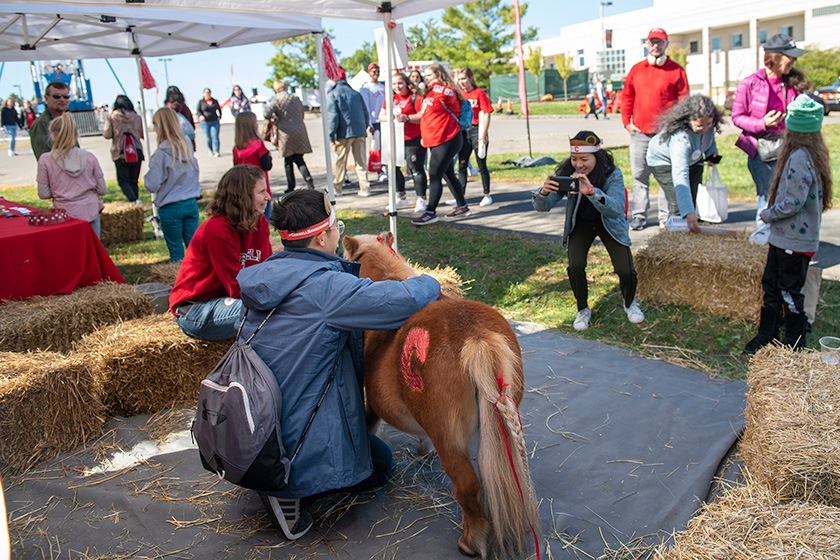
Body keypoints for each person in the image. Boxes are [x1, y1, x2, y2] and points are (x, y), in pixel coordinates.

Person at [236, 188, 441, 541]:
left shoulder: (267, 274)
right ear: (321, 237)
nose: (337, 233)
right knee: (380, 465)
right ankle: (290, 490)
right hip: (299, 430)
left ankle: (274, 472)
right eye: (336, 227)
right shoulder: (327, 289)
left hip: (259, 421)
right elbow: (399, 299)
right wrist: (430, 280)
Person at [744, 95, 832, 354]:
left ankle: (794, 341)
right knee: (771, 284)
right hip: (786, 239)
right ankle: (767, 333)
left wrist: (768, 214)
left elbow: (792, 202)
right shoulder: (810, 154)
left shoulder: (799, 158)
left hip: (793, 241)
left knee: (788, 291)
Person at [532, 131, 644, 331]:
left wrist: (592, 191)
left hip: (609, 222)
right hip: (581, 222)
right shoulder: (566, 171)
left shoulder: (611, 173)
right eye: (575, 158)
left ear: (596, 156)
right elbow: (543, 207)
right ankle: (583, 309)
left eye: (584, 159)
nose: (579, 164)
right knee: (575, 266)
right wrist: (543, 192)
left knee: (625, 270)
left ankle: (630, 303)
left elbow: (617, 207)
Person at [169, 165, 272, 341]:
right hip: (196, 309)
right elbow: (237, 287)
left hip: (228, 301)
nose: (268, 197)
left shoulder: (259, 222)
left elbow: (268, 270)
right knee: (265, 311)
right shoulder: (217, 231)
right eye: (262, 192)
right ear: (244, 197)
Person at [731, 33, 807, 244]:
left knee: (787, 197)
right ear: (774, 57)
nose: (794, 61)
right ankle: (763, 247)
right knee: (766, 199)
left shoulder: (792, 82)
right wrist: (763, 123)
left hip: (788, 148)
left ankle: (781, 244)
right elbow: (737, 117)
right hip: (761, 150)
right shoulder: (750, 83)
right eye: (789, 56)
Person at [622, 28, 689, 230]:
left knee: (664, 176)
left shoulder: (676, 70)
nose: (656, 46)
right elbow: (627, 97)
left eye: (659, 42)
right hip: (640, 132)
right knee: (639, 176)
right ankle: (639, 216)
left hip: (665, 134)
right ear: (647, 44)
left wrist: (677, 126)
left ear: (666, 44)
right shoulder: (637, 69)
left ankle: (665, 217)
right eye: (652, 42)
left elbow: (684, 101)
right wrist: (627, 122)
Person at [646, 94, 724, 233]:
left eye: (708, 124)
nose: (705, 128)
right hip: (663, 161)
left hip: (693, 159)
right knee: (678, 203)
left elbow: (709, 138)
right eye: (699, 125)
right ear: (688, 120)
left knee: (693, 198)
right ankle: (675, 236)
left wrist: (712, 152)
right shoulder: (680, 138)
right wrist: (688, 212)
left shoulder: (709, 126)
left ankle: (690, 232)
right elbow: (680, 176)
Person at [411, 63, 471, 225]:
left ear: (438, 75)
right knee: (447, 173)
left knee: (435, 174)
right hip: (436, 139)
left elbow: (449, 99)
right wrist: (406, 118)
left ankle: (430, 212)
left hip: (447, 139)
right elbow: (424, 116)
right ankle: (462, 206)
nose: (426, 78)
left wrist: (433, 87)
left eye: (429, 75)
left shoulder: (444, 91)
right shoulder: (430, 93)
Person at [143, 107, 200, 262]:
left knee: (176, 250)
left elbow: (152, 184)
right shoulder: (186, 146)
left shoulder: (161, 154)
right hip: (190, 202)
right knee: (195, 249)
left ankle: (180, 280)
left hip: (171, 206)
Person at [36, 113, 107, 237]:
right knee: (93, 251)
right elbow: (102, 189)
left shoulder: (45, 160)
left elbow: (43, 193)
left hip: (64, 214)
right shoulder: (90, 157)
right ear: (76, 134)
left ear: (52, 134)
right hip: (90, 211)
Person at [378, 72, 427, 211]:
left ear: (406, 83)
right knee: (392, 168)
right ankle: (401, 198)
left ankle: (421, 198)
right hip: (395, 139)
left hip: (413, 138)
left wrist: (406, 118)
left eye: (400, 83)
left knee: (415, 168)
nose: (397, 86)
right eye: (394, 84)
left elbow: (422, 116)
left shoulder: (414, 97)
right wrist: (390, 117)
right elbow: (381, 115)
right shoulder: (390, 98)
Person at [264, 80, 314, 193]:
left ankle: (291, 185)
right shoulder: (295, 98)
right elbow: (302, 113)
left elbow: (266, 113)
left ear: (276, 89)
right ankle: (308, 179)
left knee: (288, 160)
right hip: (300, 130)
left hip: (285, 132)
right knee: (299, 157)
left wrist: (276, 117)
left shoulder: (276, 99)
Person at [326, 68, 370, 196]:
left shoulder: (333, 94)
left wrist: (331, 135)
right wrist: (364, 127)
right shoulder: (355, 93)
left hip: (342, 133)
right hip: (359, 131)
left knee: (341, 161)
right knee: (361, 161)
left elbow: (332, 117)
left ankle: (337, 188)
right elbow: (365, 113)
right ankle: (365, 187)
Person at [455, 67, 494, 207]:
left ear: (470, 78)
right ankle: (460, 195)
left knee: (481, 163)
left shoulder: (479, 93)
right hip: (463, 130)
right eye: (459, 79)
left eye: (464, 78)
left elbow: (487, 112)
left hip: (477, 129)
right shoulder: (459, 94)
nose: (462, 82)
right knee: (462, 164)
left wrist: (483, 134)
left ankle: (486, 195)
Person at [102, 95, 145, 203]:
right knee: (134, 180)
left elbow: (107, 134)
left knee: (123, 180)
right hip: (136, 150)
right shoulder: (136, 117)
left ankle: (133, 199)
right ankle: (136, 200)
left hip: (120, 151)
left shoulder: (112, 117)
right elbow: (141, 133)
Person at [232, 111, 273, 217]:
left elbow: (235, 169)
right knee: (263, 218)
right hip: (261, 188)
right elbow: (267, 165)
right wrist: (269, 157)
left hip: (245, 189)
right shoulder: (258, 145)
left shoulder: (236, 148)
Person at [29, 81, 71, 161]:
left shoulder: (67, 121)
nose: (62, 100)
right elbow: (44, 157)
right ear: (46, 98)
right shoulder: (41, 123)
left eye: (66, 96)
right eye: (56, 96)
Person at [361, 62, 386, 181]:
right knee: (376, 146)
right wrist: (369, 124)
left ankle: (385, 167)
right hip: (374, 120)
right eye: (373, 71)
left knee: (386, 145)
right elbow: (365, 106)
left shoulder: (383, 87)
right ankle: (378, 170)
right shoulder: (366, 88)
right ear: (369, 73)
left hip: (384, 120)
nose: (376, 74)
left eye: (378, 71)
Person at [164, 85, 196, 150]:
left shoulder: (166, 110)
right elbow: (191, 125)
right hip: (187, 141)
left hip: (172, 142)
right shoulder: (185, 108)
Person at [196, 88, 222, 157]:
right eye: (206, 92)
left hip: (214, 120)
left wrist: (220, 116)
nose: (207, 94)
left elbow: (219, 109)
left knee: (215, 136)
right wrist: (200, 116)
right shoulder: (201, 102)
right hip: (205, 122)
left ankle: (217, 151)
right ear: (204, 93)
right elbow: (198, 111)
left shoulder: (214, 101)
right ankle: (210, 150)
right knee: (208, 137)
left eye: (209, 92)